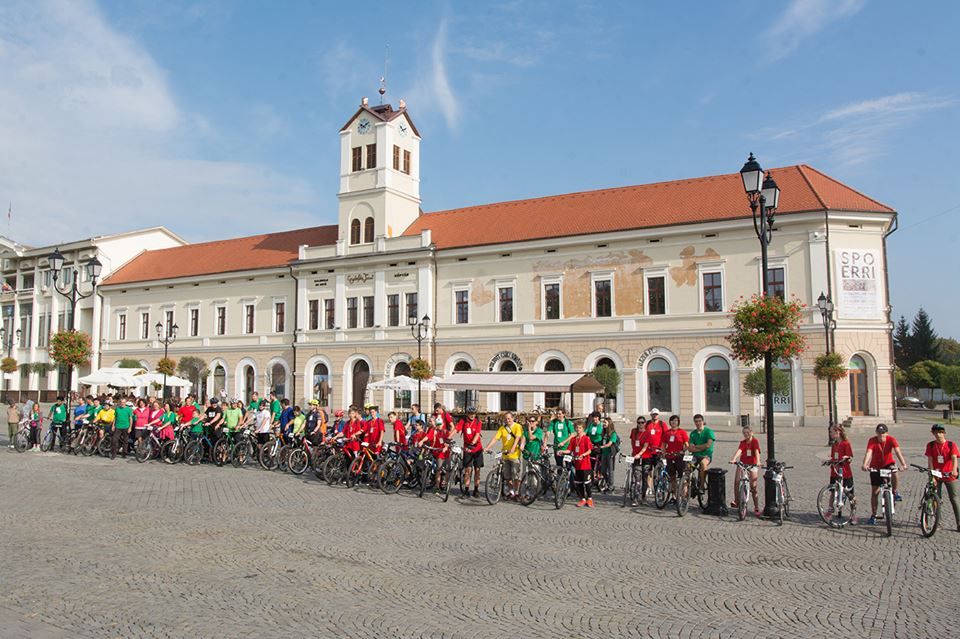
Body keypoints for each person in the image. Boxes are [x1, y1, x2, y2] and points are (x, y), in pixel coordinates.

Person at [861, 423, 907, 525]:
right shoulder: (872, 440)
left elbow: (898, 452)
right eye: (879, 433)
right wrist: (865, 464)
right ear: (876, 433)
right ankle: (873, 515)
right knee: (875, 492)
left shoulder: (891, 439)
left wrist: (903, 464)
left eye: (883, 433)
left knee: (894, 471)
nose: (881, 436)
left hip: (888, 464)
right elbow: (868, 453)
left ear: (886, 433)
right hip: (875, 467)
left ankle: (894, 492)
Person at [925, 423, 959, 532]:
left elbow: (954, 458)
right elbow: (930, 461)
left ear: (944, 433)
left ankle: (959, 523)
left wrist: (954, 470)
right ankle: (937, 522)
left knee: (954, 499)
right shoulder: (931, 445)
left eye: (940, 432)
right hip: (937, 475)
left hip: (949, 475)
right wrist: (932, 476)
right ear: (933, 433)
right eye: (936, 432)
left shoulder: (951, 445)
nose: (939, 434)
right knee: (936, 498)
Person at [484, 412, 524, 500]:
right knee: (507, 475)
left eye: (509, 418)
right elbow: (495, 438)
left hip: (514, 455)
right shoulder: (502, 428)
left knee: (516, 474)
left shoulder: (517, 426)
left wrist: (513, 448)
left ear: (513, 418)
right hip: (505, 454)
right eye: (506, 419)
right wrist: (487, 447)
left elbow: (517, 438)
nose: (507, 420)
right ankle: (511, 492)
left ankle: (517, 492)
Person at [826, 424, 856, 524]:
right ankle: (830, 510)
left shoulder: (846, 443)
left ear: (837, 432)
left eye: (831, 432)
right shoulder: (834, 445)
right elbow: (833, 457)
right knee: (833, 491)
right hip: (835, 471)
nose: (830, 434)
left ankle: (853, 514)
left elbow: (850, 457)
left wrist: (846, 458)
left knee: (850, 494)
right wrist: (829, 461)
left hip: (845, 472)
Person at [730, 425, 761, 517]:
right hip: (743, 464)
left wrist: (758, 461)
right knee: (736, 481)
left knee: (754, 487)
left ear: (752, 432)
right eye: (744, 433)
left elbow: (756, 451)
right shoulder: (743, 442)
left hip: (752, 464)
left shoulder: (755, 441)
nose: (746, 434)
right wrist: (734, 459)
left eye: (748, 432)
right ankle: (736, 501)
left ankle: (756, 507)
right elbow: (739, 450)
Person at [634, 413, 664, 502]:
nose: (640, 424)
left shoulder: (648, 433)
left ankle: (644, 496)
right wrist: (634, 454)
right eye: (639, 422)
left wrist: (662, 449)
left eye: (642, 422)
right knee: (637, 477)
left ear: (644, 423)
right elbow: (633, 443)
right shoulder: (634, 431)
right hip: (636, 457)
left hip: (647, 456)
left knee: (646, 476)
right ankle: (636, 497)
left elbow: (645, 446)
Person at [565, 421, 594, 508]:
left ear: (583, 429)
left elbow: (589, 450)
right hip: (577, 464)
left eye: (580, 428)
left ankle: (589, 498)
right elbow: (569, 450)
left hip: (585, 464)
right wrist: (562, 451)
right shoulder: (573, 439)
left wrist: (583, 455)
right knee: (579, 483)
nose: (578, 429)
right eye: (577, 428)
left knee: (587, 483)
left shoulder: (586, 438)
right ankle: (582, 499)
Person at [457, 407, 484, 497]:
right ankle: (466, 490)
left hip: (477, 449)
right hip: (467, 449)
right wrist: (448, 437)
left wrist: (472, 444)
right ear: (467, 414)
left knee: (477, 470)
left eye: (474, 413)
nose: (472, 415)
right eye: (470, 413)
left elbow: (477, 434)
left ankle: (476, 489)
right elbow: (456, 429)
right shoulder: (463, 421)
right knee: (467, 470)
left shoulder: (478, 422)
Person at [662, 415, 689, 503]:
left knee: (682, 476)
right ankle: (674, 495)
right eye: (672, 421)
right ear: (670, 422)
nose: (674, 422)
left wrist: (683, 450)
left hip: (679, 456)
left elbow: (686, 444)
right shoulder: (667, 433)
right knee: (672, 477)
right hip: (670, 456)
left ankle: (684, 494)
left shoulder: (682, 432)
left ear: (678, 422)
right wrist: (664, 453)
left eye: (676, 421)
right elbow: (663, 444)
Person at [688, 414, 715, 494]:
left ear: (703, 422)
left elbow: (708, 445)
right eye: (696, 421)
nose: (698, 423)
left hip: (706, 455)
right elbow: (690, 448)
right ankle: (687, 486)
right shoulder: (693, 433)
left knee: (703, 464)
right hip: (695, 456)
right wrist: (697, 448)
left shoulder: (708, 432)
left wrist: (696, 447)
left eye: (700, 421)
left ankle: (702, 485)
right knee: (687, 467)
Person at [598, 417, 620, 492]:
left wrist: (602, 447)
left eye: (605, 422)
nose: (603, 424)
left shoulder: (613, 433)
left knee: (610, 470)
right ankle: (608, 483)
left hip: (610, 453)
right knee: (603, 470)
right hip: (604, 453)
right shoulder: (604, 432)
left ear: (609, 424)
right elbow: (601, 441)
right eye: (603, 422)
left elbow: (610, 443)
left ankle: (611, 486)